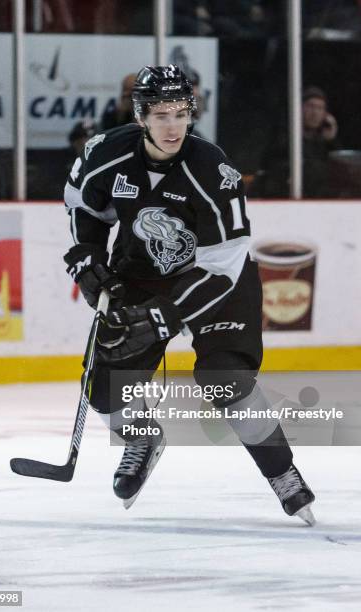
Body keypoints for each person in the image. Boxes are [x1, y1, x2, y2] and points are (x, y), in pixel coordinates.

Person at [63, 64, 315, 523]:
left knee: (225, 378)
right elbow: (85, 208)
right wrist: (87, 259)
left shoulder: (213, 171)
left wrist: (166, 315)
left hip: (219, 280)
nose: (173, 125)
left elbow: (222, 265)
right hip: (139, 272)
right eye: (161, 114)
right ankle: (142, 438)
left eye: (181, 112)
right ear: (140, 116)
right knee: (103, 387)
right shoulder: (105, 153)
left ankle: (283, 473)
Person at [251, 86, 340, 198]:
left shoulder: (326, 141)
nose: (315, 113)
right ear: (299, 109)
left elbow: (337, 169)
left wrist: (330, 140)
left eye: (320, 108)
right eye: (311, 106)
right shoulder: (284, 136)